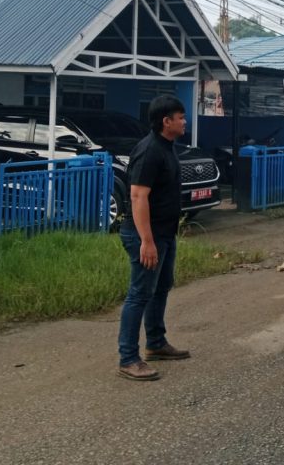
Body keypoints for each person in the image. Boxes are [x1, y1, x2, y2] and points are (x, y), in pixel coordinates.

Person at [116, 95, 191, 381]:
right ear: (166, 121)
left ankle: (156, 343)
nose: (185, 122)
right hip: (146, 236)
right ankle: (128, 358)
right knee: (139, 294)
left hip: (164, 233)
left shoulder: (167, 147)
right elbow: (137, 196)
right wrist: (146, 241)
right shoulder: (149, 151)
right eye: (181, 117)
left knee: (161, 288)